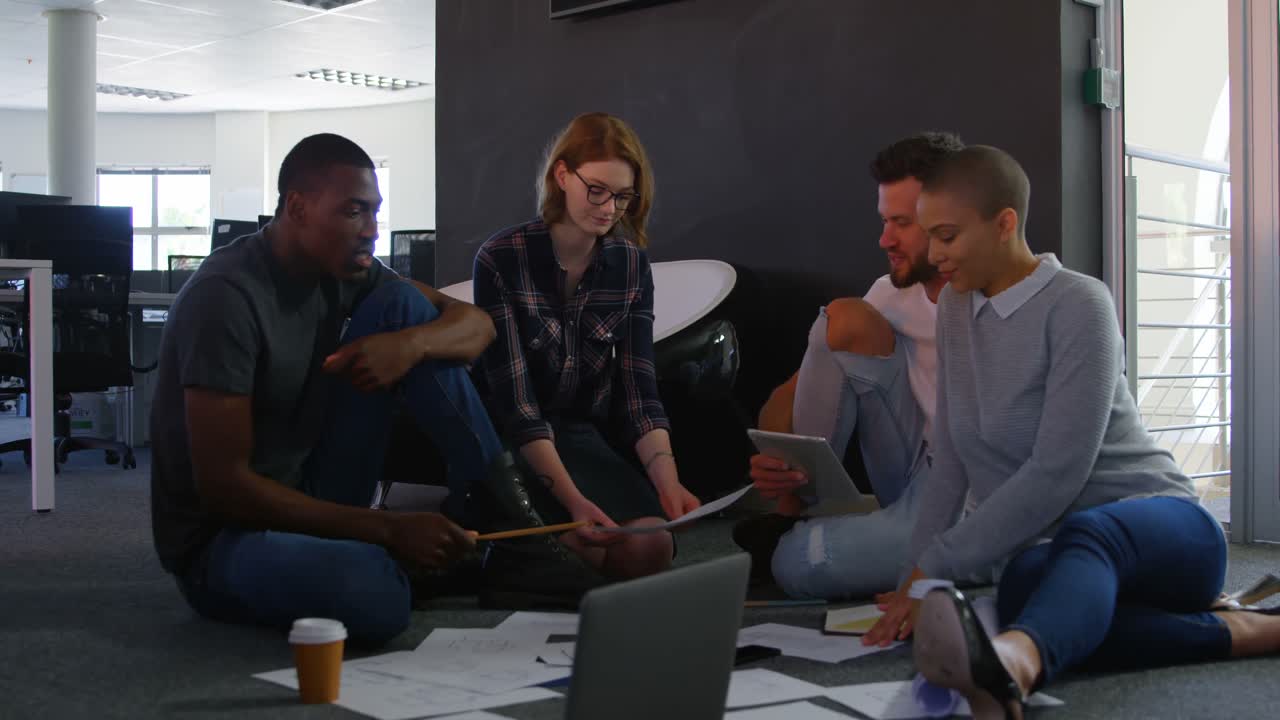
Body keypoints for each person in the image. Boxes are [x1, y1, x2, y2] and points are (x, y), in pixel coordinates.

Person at [864, 145, 1280, 719]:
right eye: (930, 236)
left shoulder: (1080, 304)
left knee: (1083, 540)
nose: (934, 254)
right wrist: (917, 583)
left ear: (1005, 223)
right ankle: (1247, 631)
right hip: (1068, 553)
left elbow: (1057, 472)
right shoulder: (958, 307)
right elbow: (954, 455)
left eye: (948, 236)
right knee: (1024, 592)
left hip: (1167, 528)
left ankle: (1016, 664)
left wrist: (938, 563)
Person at [150, 133, 517, 647]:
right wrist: (387, 530)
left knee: (407, 312)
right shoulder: (224, 299)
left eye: (374, 214)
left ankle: (510, 518)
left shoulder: (344, 268)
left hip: (314, 488)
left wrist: (410, 346)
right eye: (353, 213)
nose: (371, 232)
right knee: (371, 594)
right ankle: (405, 562)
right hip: (224, 539)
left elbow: (476, 325)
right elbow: (224, 488)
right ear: (297, 207)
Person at [735, 132, 975, 599]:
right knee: (843, 318)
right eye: (885, 220)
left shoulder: (998, 300)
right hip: (911, 469)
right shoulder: (890, 294)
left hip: (972, 484)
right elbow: (788, 395)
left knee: (800, 563)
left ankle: (969, 557)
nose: (885, 239)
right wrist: (780, 461)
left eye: (901, 223)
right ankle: (794, 516)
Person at [473, 112, 702, 580]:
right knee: (590, 547)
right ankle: (531, 552)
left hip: (582, 435)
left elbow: (640, 391)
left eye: (622, 196)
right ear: (562, 175)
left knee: (652, 545)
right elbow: (518, 407)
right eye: (596, 189)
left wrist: (668, 480)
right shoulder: (502, 258)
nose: (608, 208)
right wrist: (574, 502)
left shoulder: (630, 265)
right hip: (512, 443)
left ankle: (545, 558)